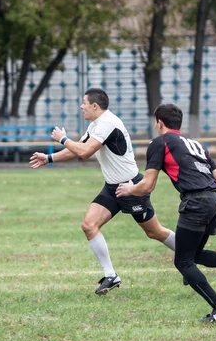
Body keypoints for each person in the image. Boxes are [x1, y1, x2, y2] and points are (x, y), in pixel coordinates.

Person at [116, 103, 216, 323]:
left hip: (196, 202)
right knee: (193, 255)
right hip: (214, 200)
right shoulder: (196, 144)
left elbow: (147, 185)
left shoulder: (159, 143)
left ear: (159, 122)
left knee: (183, 262)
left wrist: (129, 189)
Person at [29, 88, 176, 295]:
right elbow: (78, 147)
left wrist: (62, 138)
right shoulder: (96, 124)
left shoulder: (108, 123)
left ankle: (189, 257)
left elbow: (85, 152)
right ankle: (111, 276)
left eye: (84, 103)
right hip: (113, 187)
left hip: (131, 186)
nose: (81, 107)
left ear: (95, 106)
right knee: (89, 225)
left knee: (154, 232)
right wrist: (49, 158)